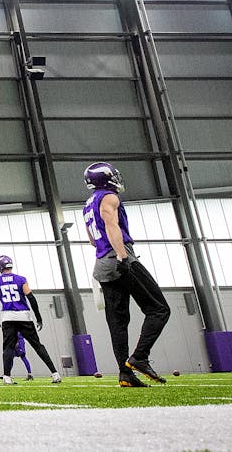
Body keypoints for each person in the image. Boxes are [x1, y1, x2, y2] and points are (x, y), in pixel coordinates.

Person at [82, 161, 170, 386]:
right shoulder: (109, 198)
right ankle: (140, 357)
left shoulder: (87, 204)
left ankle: (125, 373)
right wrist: (122, 256)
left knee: (117, 322)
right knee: (159, 309)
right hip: (119, 257)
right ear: (107, 178)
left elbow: (93, 240)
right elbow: (110, 223)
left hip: (101, 263)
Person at [0, 255, 61, 385]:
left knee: (8, 348)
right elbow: (31, 298)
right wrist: (38, 317)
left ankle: (7, 377)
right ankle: (55, 373)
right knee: (37, 345)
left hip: (8, 317)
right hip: (24, 316)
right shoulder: (21, 279)